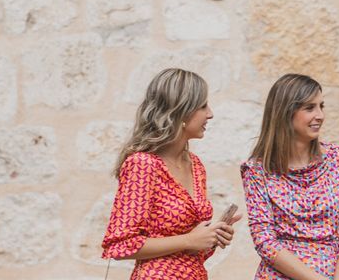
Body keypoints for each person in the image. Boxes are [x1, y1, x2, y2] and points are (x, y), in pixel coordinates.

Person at [102, 68, 241, 280]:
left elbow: (191, 252)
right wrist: (189, 240)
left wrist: (211, 237)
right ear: (180, 111)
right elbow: (120, 245)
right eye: (203, 106)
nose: (210, 113)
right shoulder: (142, 164)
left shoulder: (195, 166)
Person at [241, 73, 339, 280]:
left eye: (321, 106)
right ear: (285, 113)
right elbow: (264, 239)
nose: (320, 115)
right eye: (309, 108)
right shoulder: (256, 171)